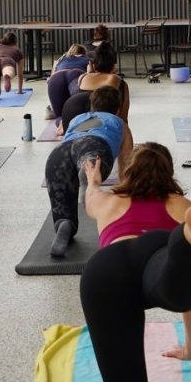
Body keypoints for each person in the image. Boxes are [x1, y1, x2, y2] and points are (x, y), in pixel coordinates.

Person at [79, 144, 191, 382]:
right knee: (180, 272)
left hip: (106, 270)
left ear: (128, 173)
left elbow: (91, 193)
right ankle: (186, 238)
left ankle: (187, 241)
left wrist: (93, 179)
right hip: (158, 254)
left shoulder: (105, 201)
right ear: (169, 175)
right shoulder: (182, 205)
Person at [45, 86, 134, 257]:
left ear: (92, 106)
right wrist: (125, 198)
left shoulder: (77, 119)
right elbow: (126, 167)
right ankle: (89, 172)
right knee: (89, 159)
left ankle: (65, 224)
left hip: (58, 155)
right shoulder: (120, 124)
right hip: (94, 146)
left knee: (63, 206)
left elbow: (71, 142)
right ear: (117, 109)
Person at [48, 42, 130, 137]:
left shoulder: (82, 77)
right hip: (87, 118)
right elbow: (123, 119)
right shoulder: (119, 81)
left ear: (94, 66)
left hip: (70, 112)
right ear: (114, 67)